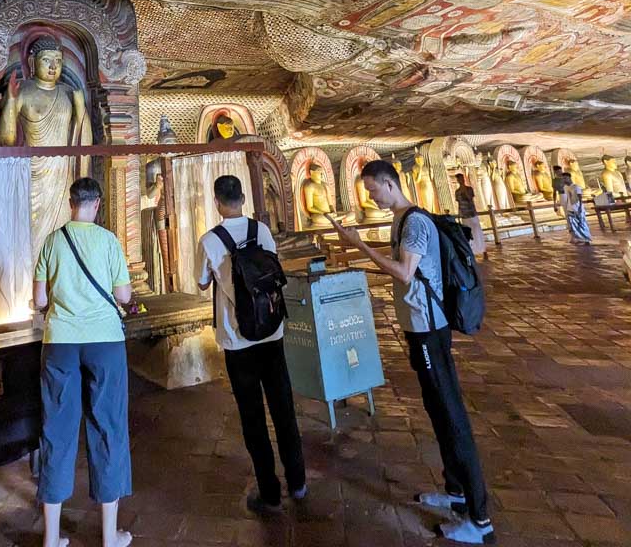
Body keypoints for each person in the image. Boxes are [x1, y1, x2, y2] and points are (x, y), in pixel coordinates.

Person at [329, 161, 493, 545]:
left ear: (390, 184)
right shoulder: (400, 220)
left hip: (429, 328)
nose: (371, 198)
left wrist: (357, 245)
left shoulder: (414, 223)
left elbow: (404, 272)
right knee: (437, 408)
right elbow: (405, 272)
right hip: (417, 326)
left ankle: (480, 519)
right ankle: (456, 493)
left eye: (373, 190)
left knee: (451, 414)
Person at [196, 174, 306, 513]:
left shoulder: (210, 240)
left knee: (252, 416)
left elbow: (202, 283)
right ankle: (298, 482)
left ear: (217, 202)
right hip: (271, 332)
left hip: (237, 339)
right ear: (243, 198)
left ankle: (269, 491)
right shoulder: (262, 231)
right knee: (283, 407)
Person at [33, 177, 133, 547]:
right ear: (98, 203)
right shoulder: (109, 241)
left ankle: (51, 537)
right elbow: (124, 294)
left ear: (70, 201)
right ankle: (109, 535)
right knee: (109, 427)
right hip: (105, 342)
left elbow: (40, 301)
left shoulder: (52, 241)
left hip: (60, 342)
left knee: (56, 431)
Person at [454, 174, 487, 260]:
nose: (460, 180)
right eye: (459, 179)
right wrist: (459, 214)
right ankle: (472, 251)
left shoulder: (469, 189)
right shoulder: (457, 192)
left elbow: (470, 198)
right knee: (468, 234)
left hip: (472, 213)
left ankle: (483, 250)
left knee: (477, 231)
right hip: (464, 215)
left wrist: (464, 190)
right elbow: (459, 203)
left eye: (461, 179)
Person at [561, 172, 592, 244]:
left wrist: (580, 207)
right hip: (570, 208)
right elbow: (567, 198)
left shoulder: (576, 187)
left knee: (582, 224)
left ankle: (587, 239)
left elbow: (580, 197)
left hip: (577, 207)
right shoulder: (565, 188)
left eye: (565, 178)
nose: (564, 180)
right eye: (563, 179)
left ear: (569, 178)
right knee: (574, 225)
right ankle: (579, 238)